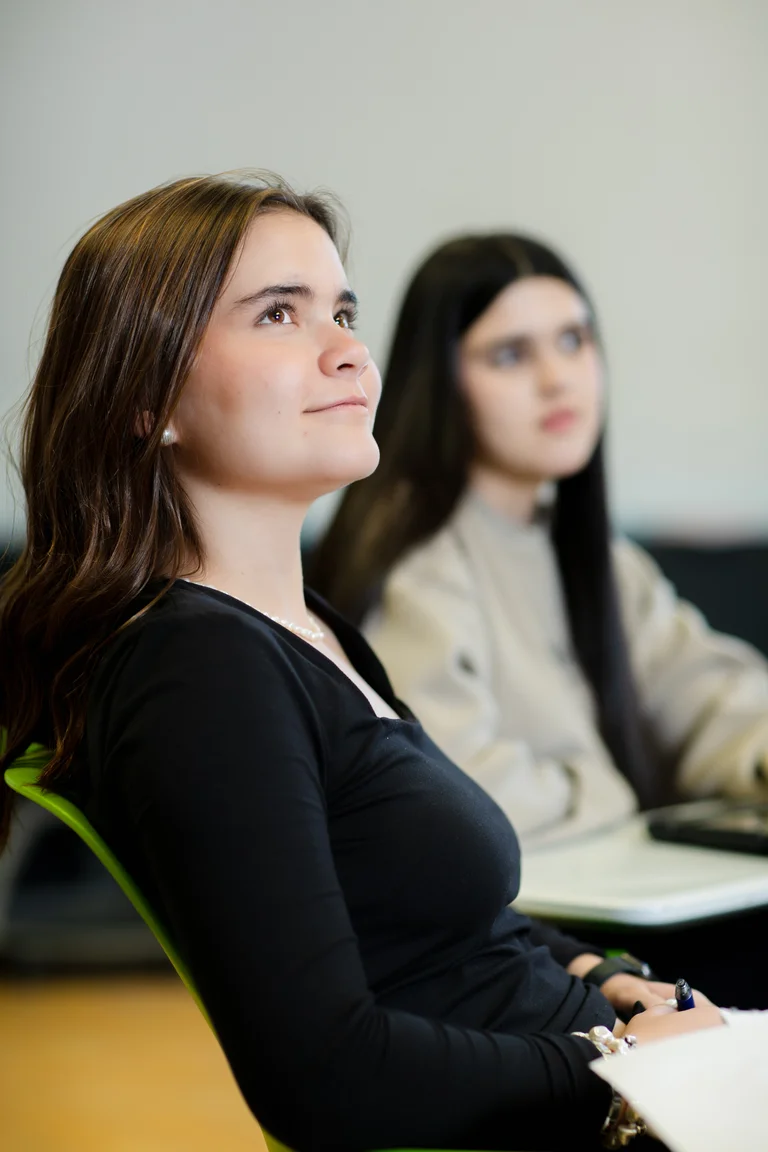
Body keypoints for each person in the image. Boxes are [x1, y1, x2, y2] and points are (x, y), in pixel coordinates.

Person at [0, 175, 723, 1152]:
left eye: (342, 309)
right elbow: (328, 1074)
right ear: (148, 398)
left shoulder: (305, 630)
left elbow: (449, 927)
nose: (348, 348)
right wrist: (623, 1067)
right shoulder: (197, 674)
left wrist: (604, 976)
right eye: (278, 314)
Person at [309, 232, 768, 847]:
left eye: (574, 341)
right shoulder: (417, 557)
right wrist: (613, 793)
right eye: (510, 355)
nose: (559, 380)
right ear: (442, 382)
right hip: (516, 925)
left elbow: (703, 694)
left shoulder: (593, 553)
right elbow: (452, 790)